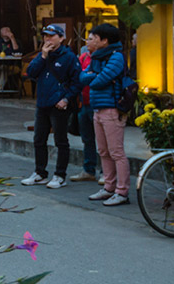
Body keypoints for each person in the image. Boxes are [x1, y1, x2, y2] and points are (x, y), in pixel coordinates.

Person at [19, 25, 81, 189]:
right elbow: (31, 72)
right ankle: (40, 173)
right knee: (39, 139)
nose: (47, 39)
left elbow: (77, 82)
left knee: (61, 140)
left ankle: (60, 175)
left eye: (52, 36)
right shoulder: (42, 55)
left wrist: (66, 99)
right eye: (45, 36)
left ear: (61, 38)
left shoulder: (69, 57)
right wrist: (43, 55)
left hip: (59, 104)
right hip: (42, 103)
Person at [79, 23, 131, 206]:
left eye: (94, 37)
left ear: (105, 40)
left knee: (117, 152)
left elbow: (98, 81)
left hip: (112, 108)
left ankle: (122, 191)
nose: (90, 40)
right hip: (98, 108)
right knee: (103, 151)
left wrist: (93, 75)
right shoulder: (96, 57)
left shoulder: (116, 57)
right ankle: (109, 188)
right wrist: (93, 75)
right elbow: (82, 77)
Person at [70, 37, 100, 183]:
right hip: (84, 103)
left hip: (98, 103)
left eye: (91, 39)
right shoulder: (83, 57)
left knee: (104, 141)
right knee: (87, 139)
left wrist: (87, 77)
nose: (87, 42)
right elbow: (79, 77)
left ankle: (107, 173)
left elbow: (95, 78)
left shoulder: (103, 58)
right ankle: (89, 170)